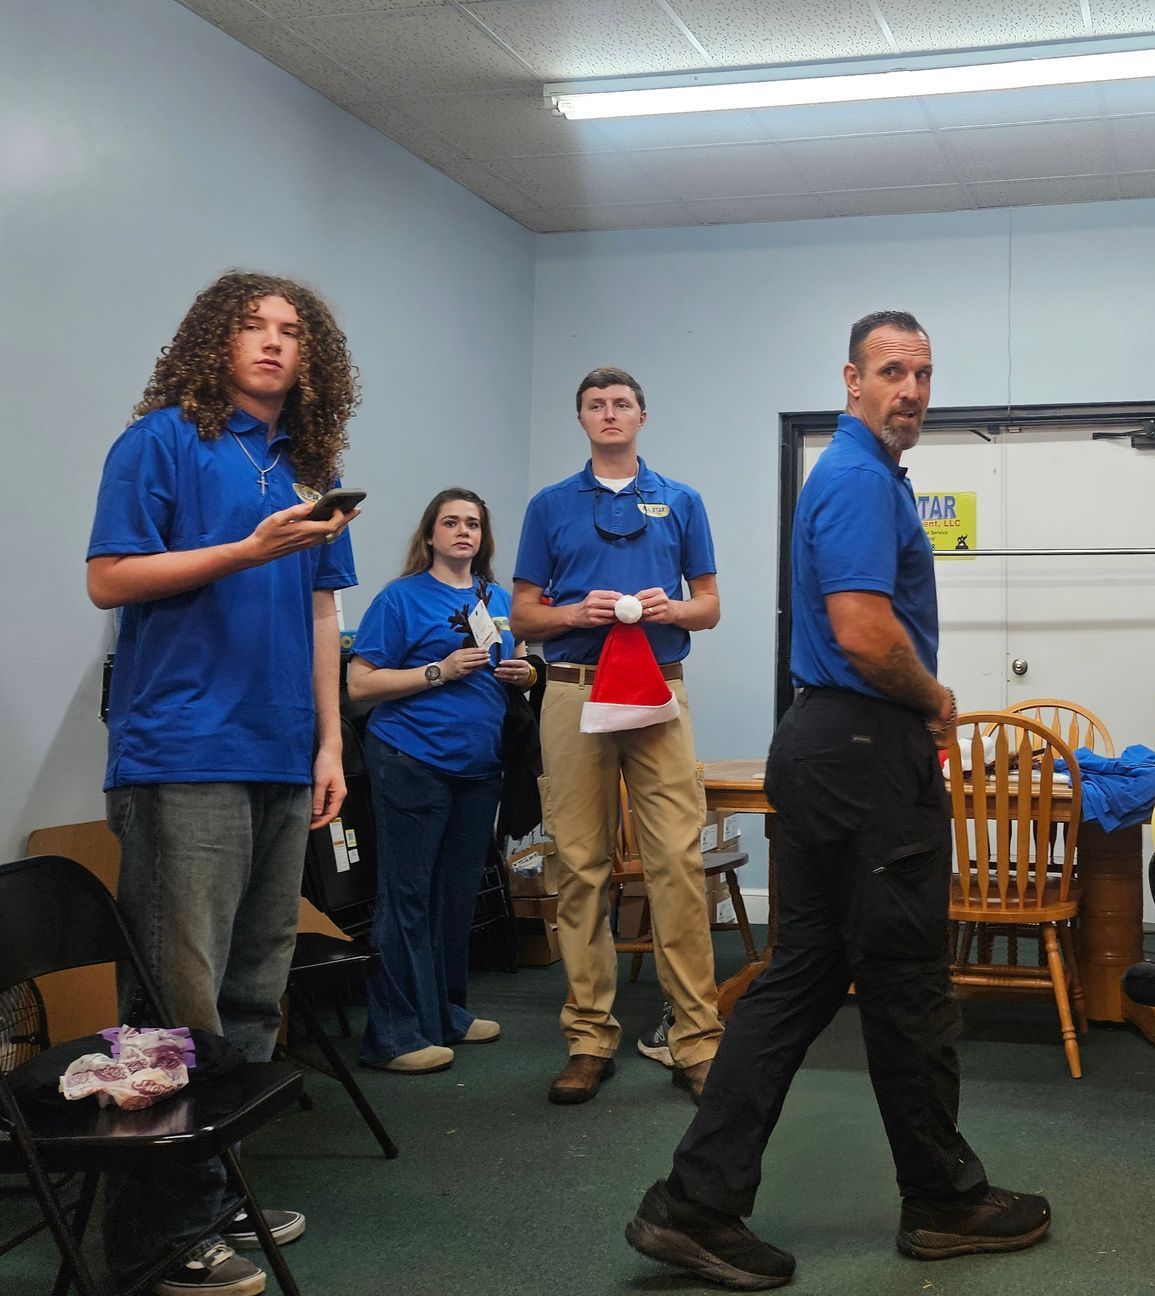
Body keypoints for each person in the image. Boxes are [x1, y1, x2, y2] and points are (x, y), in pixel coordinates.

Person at [625, 311, 1050, 1291]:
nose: (911, 389)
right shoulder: (859, 477)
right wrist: (937, 696)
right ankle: (942, 1201)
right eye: (891, 370)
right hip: (862, 747)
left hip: (828, 742)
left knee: (801, 975)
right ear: (850, 379)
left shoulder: (864, 475)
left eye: (925, 373)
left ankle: (697, 1202)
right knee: (904, 983)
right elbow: (862, 632)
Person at [86, 271, 360, 1296]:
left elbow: (326, 611)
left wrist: (331, 745)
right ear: (214, 340)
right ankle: (152, 1243)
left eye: (293, 331)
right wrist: (245, 549)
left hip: (284, 755)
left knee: (251, 995)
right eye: (253, 325)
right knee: (174, 1002)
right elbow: (109, 577)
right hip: (183, 755)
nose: (274, 343)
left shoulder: (307, 464)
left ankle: (207, 1199)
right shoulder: (157, 442)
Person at [509, 367, 724, 1104]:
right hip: (572, 694)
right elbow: (524, 618)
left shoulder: (683, 501)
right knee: (579, 866)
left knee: (676, 864)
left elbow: (711, 608)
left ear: (642, 414)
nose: (610, 413)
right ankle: (588, 1038)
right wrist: (575, 614)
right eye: (596, 405)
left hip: (659, 696)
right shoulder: (549, 507)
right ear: (582, 419)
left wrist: (673, 609)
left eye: (621, 403)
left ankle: (696, 1040)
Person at [346, 489, 536, 1073]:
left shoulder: (498, 598)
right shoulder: (400, 599)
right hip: (411, 759)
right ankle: (395, 1035)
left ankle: (446, 1013)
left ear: (484, 537)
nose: (462, 532)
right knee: (406, 896)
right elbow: (358, 686)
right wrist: (439, 670)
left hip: (478, 768)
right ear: (430, 535)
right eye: (450, 522)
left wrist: (525, 671)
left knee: (455, 898)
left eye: (472, 523)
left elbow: (524, 661)